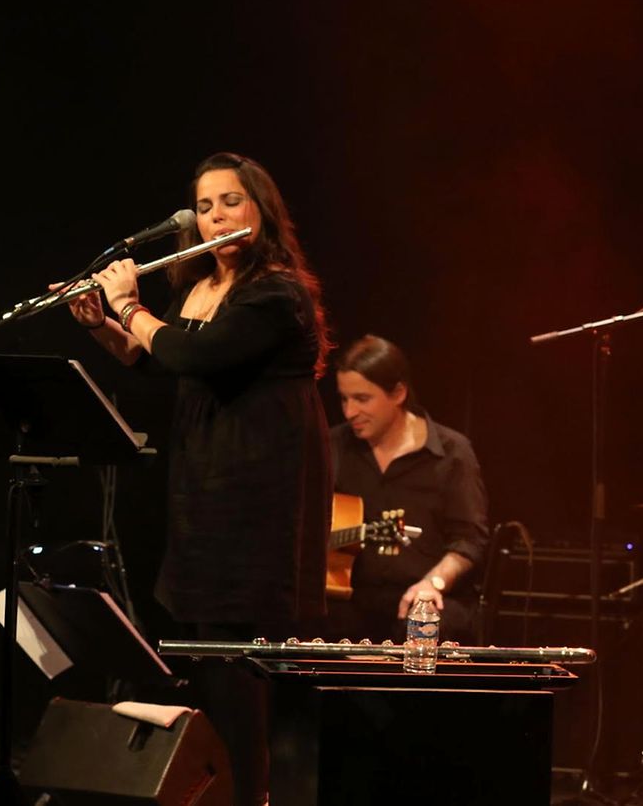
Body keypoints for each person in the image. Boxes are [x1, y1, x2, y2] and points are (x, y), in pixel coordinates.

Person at [68, 152, 333, 806]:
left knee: (239, 669)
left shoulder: (276, 293)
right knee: (205, 665)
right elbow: (156, 362)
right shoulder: (200, 287)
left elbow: (197, 353)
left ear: (261, 210)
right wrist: (101, 323)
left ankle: (253, 796)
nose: (216, 216)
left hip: (256, 499)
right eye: (206, 206)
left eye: (231, 201)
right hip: (203, 493)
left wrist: (128, 304)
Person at [329, 334, 489, 644]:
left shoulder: (452, 453)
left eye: (362, 399)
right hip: (349, 600)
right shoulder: (333, 446)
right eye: (344, 399)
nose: (349, 412)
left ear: (398, 393)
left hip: (426, 596)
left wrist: (433, 583)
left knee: (426, 624)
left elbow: (470, 540)